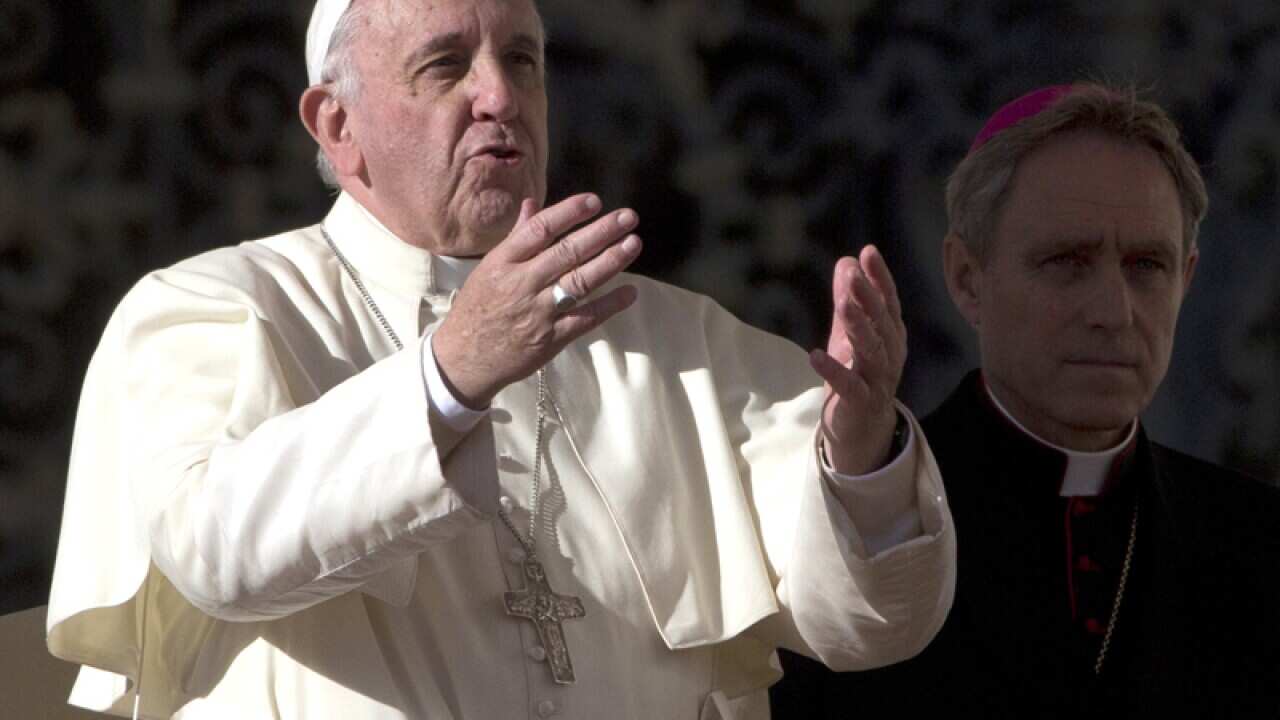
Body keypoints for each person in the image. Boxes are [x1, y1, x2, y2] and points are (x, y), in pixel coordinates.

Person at [45, 1, 957, 717]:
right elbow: (215, 549)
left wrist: (863, 460)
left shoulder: (683, 343)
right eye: (446, 64)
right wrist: (448, 377)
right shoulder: (214, 308)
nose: (499, 95)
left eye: (521, 59)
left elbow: (870, 629)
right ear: (336, 124)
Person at [770, 83, 1280, 718]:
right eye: (1067, 260)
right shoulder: (854, 536)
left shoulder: (1260, 544)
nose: (1113, 313)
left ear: (1187, 279)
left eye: (1147, 265)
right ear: (967, 279)